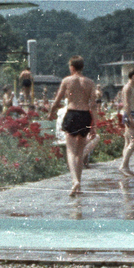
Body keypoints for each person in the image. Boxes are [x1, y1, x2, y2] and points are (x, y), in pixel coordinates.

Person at [50, 56, 99, 196]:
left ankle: (74, 181)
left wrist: (50, 112)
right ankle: (79, 185)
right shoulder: (90, 82)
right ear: (82, 67)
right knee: (79, 152)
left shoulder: (67, 80)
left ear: (72, 67)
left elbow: (57, 99)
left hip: (72, 114)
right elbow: (93, 105)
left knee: (71, 151)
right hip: (85, 115)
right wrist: (94, 125)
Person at [116, 69, 134, 176]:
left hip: (132, 113)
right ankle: (123, 166)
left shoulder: (132, 88)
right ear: (133, 76)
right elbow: (126, 104)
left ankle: (126, 166)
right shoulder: (127, 87)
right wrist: (130, 118)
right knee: (133, 141)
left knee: (128, 141)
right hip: (130, 114)